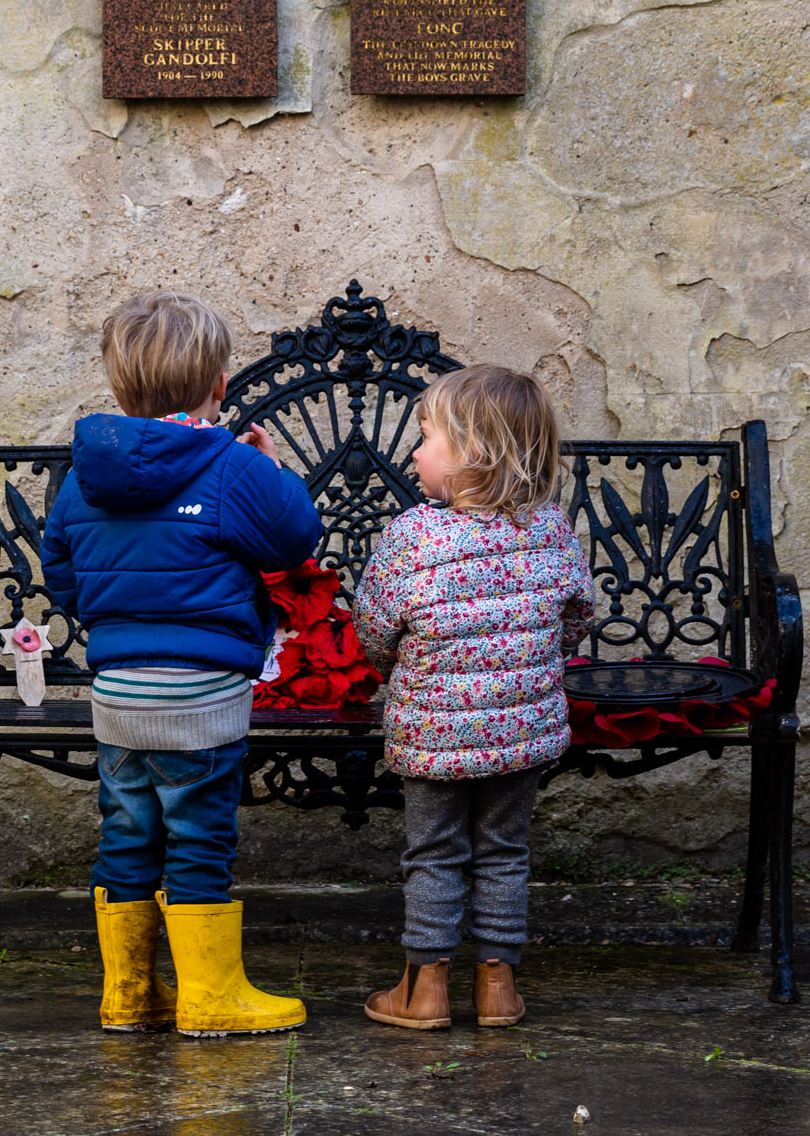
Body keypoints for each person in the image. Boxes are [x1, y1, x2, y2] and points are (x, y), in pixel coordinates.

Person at [39, 291, 324, 1037]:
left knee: (127, 831)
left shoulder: (84, 476)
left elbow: (61, 571)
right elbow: (295, 538)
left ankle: (128, 995)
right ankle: (208, 996)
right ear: (220, 385)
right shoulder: (229, 465)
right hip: (202, 698)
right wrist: (269, 468)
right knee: (198, 837)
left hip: (118, 698)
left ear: (119, 384)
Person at [352, 364, 593, 1030]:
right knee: (505, 850)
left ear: (472, 452)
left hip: (432, 735)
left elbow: (374, 627)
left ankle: (424, 989)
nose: (413, 451)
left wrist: (401, 666)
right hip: (520, 733)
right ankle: (497, 989)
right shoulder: (550, 528)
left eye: (426, 437)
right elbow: (576, 617)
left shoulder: (413, 535)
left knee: (433, 852)